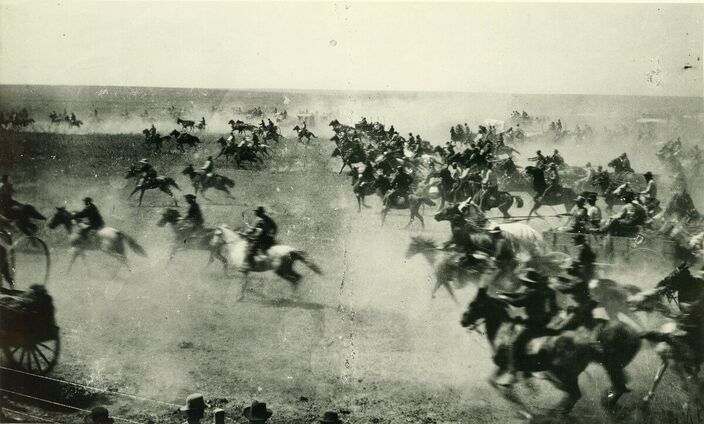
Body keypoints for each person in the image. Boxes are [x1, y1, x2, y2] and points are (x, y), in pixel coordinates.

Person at [498, 269, 558, 385]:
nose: (525, 284)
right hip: (542, 322)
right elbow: (520, 295)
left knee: (514, 344)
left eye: (526, 282)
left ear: (530, 283)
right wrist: (505, 294)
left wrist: (505, 298)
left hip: (533, 324)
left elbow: (519, 302)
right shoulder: (540, 291)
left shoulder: (532, 292)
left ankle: (513, 373)